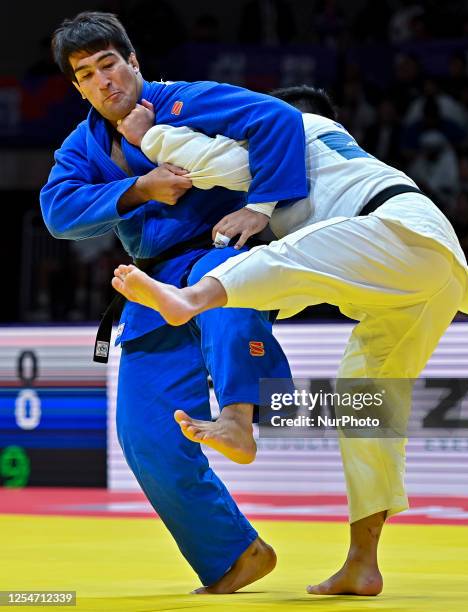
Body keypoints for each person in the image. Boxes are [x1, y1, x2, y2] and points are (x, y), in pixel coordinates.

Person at [111, 85, 468, 596]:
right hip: (431, 268)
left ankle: (188, 300)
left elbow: (218, 162)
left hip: (391, 228)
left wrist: (148, 135)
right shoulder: (330, 171)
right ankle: (362, 564)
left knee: (278, 259)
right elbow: (306, 280)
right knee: (363, 403)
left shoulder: (302, 131)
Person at [40, 11, 311, 594]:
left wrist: (260, 207)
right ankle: (233, 555)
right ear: (77, 86)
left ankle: (240, 419)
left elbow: (280, 119)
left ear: (132, 61)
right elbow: (58, 213)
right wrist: (140, 188)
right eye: (87, 74)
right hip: (151, 285)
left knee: (230, 294)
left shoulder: (185, 101)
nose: (103, 81)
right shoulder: (81, 145)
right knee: (147, 435)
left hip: (217, 251)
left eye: (109, 64)